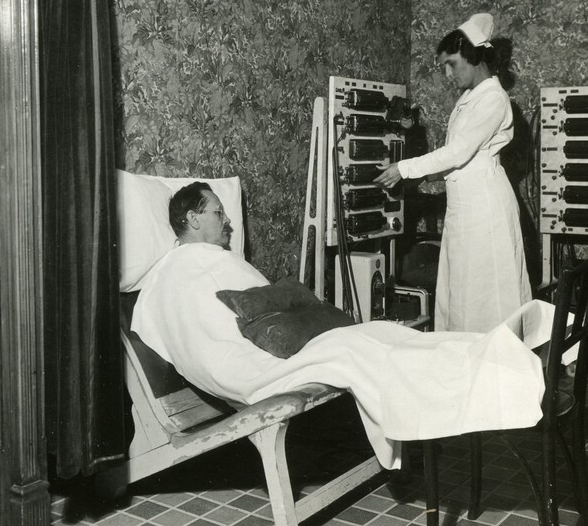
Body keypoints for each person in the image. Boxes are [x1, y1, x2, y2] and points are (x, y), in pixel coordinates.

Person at [132, 182, 556, 473]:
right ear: (191, 218)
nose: (227, 222)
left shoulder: (221, 260)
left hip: (290, 342)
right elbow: (205, 336)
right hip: (263, 363)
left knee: (385, 335)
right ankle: (495, 369)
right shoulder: (175, 275)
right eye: (217, 213)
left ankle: (493, 352)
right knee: (363, 351)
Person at [375, 12, 532, 332]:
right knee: (461, 291)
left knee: (488, 295)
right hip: (465, 208)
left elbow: (459, 153)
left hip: (485, 209)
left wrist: (404, 169)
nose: (448, 73)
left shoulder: (493, 98)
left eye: (453, 64)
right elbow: (457, 160)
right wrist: (416, 176)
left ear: (475, 59)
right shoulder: (469, 100)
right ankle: (462, 364)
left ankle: (496, 367)